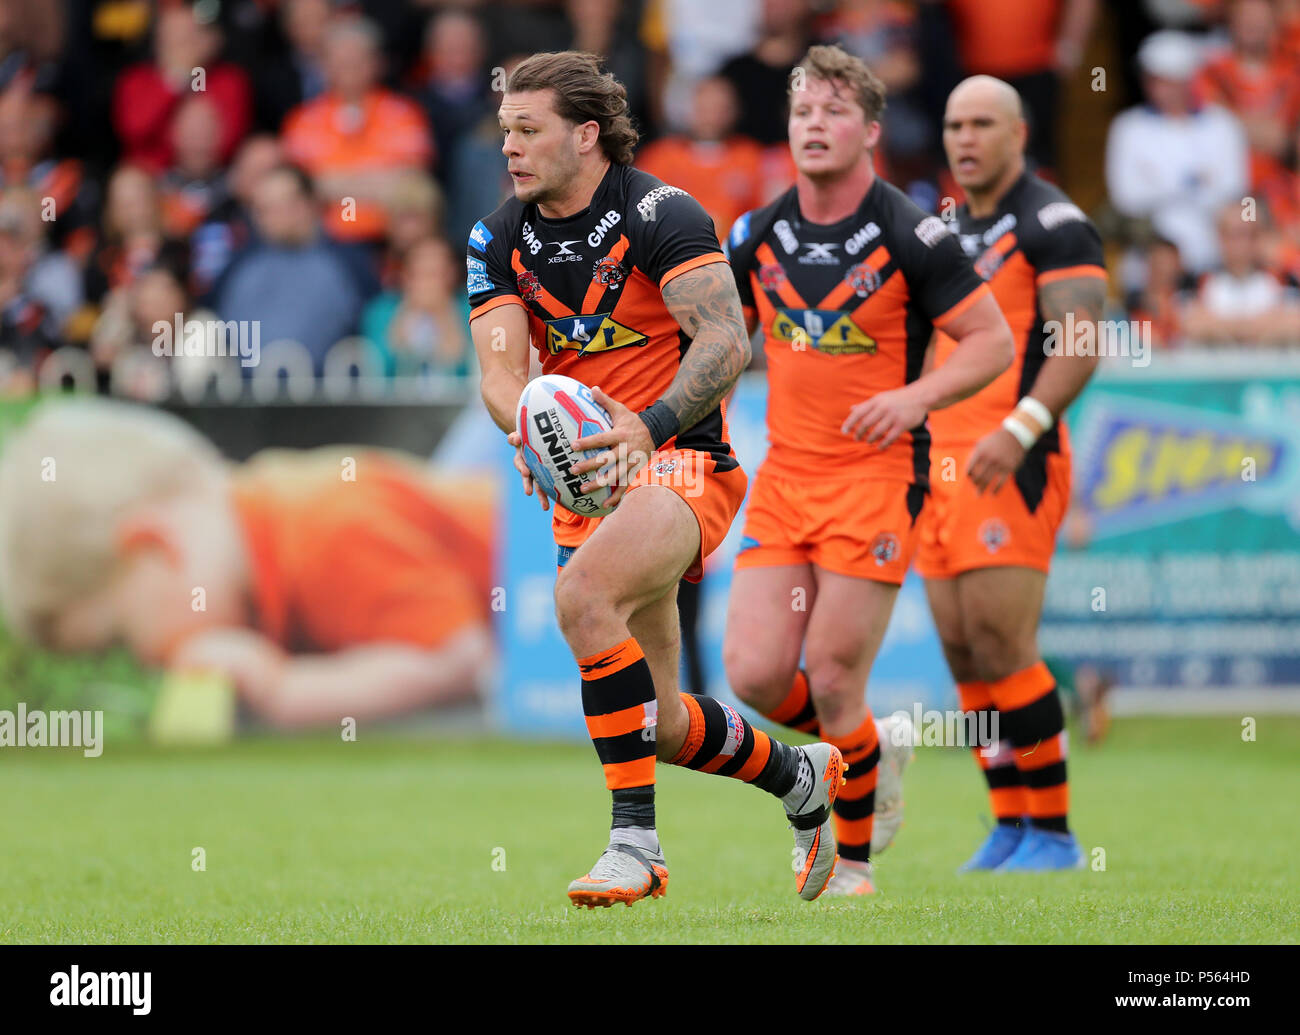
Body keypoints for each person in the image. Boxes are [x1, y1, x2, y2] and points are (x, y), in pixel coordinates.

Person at [468, 50, 846, 908]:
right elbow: (498, 373)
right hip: (592, 483)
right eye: (506, 132)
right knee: (664, 720)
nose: (512, 149)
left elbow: (724, 342)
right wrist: (532, 424)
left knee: (579, 599)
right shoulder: (497, 237)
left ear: (587, 134)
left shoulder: (661, 212)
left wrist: (649, 428)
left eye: (530, 131)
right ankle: (802, 778)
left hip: (683, 461)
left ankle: (635, 846)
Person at [722, 45, 1014, 896]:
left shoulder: (912, 231)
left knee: (838, 673)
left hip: (879, 476)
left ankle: (852, 866)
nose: (815, 125)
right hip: (786, 477)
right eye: (803, 111)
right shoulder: (755, 232)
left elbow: (993, 342)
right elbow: (718, 342)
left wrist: (917, 397)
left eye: (835, 110)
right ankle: (871, 748)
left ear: (872, 130)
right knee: (756, 674)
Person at [0, 399, 495, 730]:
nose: (150, 666)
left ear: (155, 545)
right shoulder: (266, 544)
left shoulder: (325, 525)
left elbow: (462, 662)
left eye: (122, 642)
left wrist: (284, 690)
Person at [916, 75, 1109, 871]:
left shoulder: (1054, 223)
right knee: (963, 653)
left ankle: (1056, 832)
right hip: (938, 462)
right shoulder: (940, 226)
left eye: (983, 123)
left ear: (1018, 133)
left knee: (1004, 640)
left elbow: (1081, 341)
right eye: (955, 124)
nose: (966, 139)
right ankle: (1009, 823)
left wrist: (1021, 429)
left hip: (1012, 459)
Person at [1105, 29, 1249, 274]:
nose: (1158, 89)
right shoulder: (1127, 127)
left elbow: (1234, 191)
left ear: (1189, 80)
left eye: (1168, 80)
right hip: (1147, 264)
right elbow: (1125, 197)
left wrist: (1157, 184)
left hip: (1212, 259)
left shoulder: (1223, 124)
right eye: (1152, 79)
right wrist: (1193, 183)